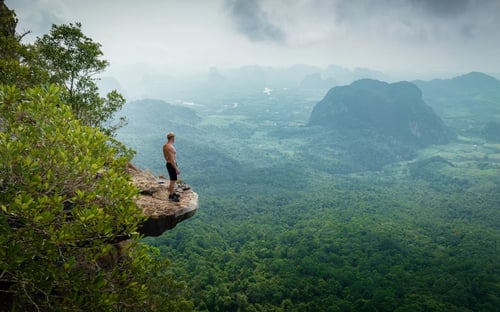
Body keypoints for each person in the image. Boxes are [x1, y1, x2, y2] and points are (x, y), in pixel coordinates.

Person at [163, 132, 180, 202]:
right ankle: (171, 196)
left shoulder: (165, 146)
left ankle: (173, 193)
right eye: (174, 138)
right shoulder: (170, 147)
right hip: (172, 165)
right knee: (172, 181)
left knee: (173, 180)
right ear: (172, 138)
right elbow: (172, 159)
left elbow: (165, 156)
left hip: (168, 163)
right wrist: (176, 168)